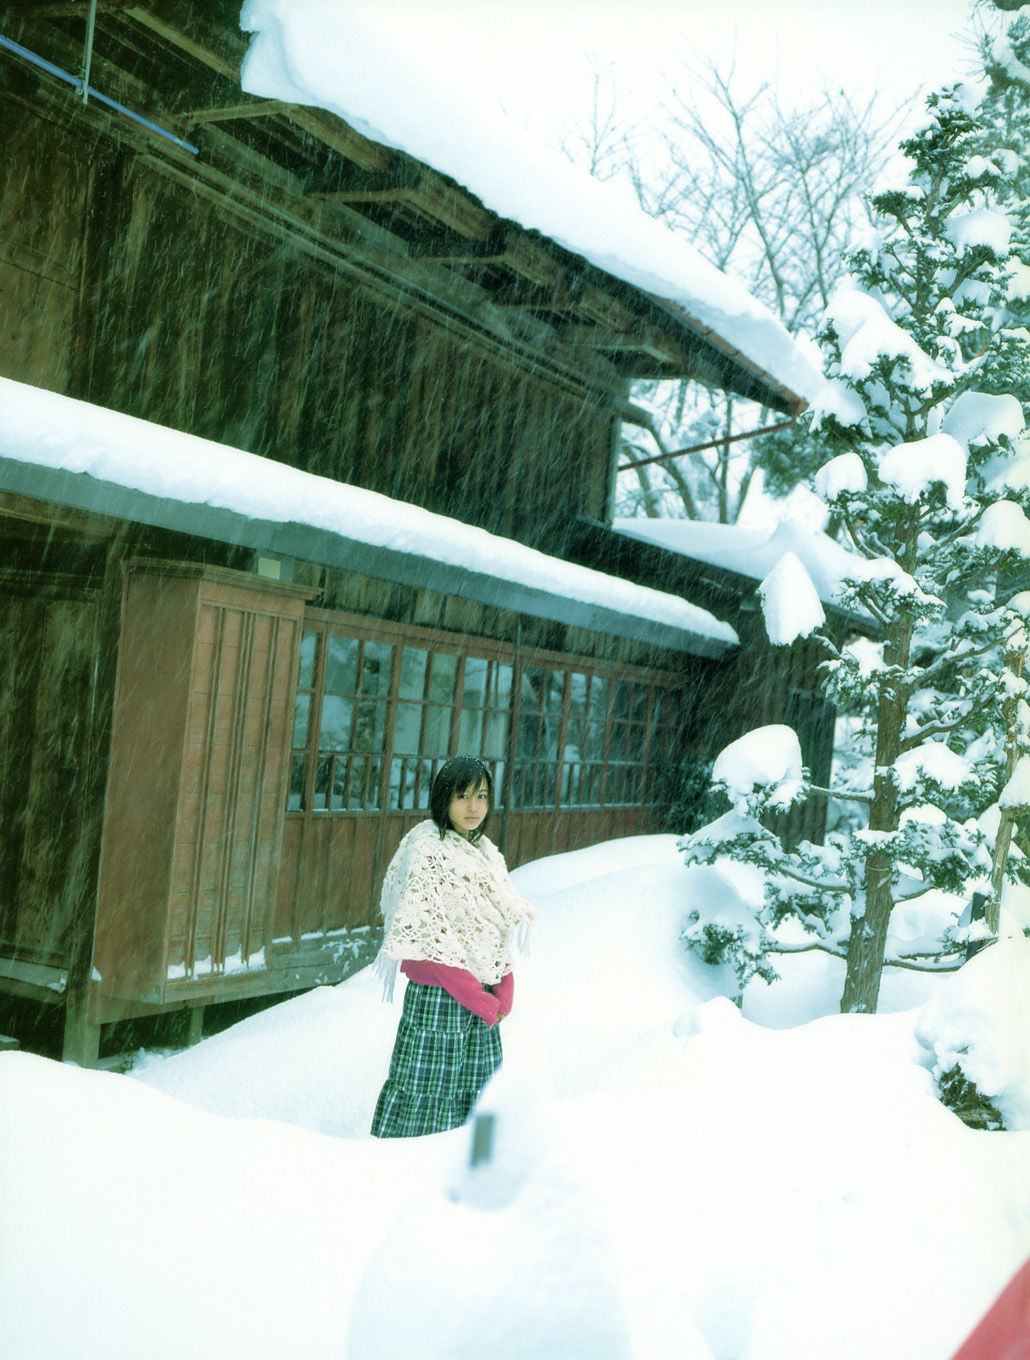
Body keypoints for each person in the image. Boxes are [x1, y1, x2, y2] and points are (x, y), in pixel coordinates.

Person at [370, 756, 535, 1138]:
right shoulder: (427, 850)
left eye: (481, 795)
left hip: (481, 1000)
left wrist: (504, 987)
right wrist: (479, 999)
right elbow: (432, 940)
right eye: (463, 796)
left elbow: (490, 926)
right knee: (429, 1095)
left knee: (481, 1096)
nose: (474, 807)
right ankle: (405, 1175)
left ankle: (474, 1176)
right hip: (439, 999)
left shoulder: (486, 853)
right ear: (444, 798)